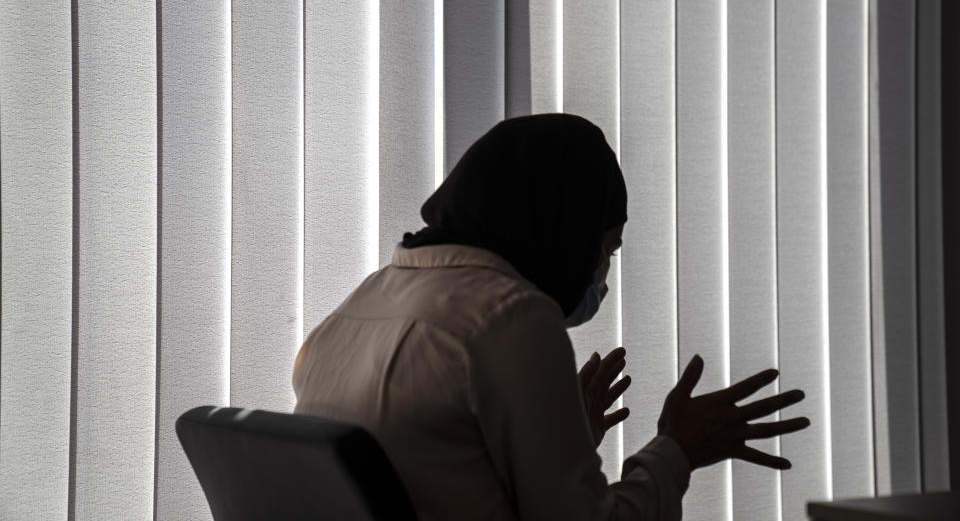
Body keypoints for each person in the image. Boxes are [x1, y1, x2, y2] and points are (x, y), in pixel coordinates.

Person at [292, 113, 809, 520]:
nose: (600, 274)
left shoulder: (356, 309)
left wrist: (562, 439)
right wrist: (678, 448)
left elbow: (437, 474)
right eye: (604, 250)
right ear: (560, 230)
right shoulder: (510, 318)